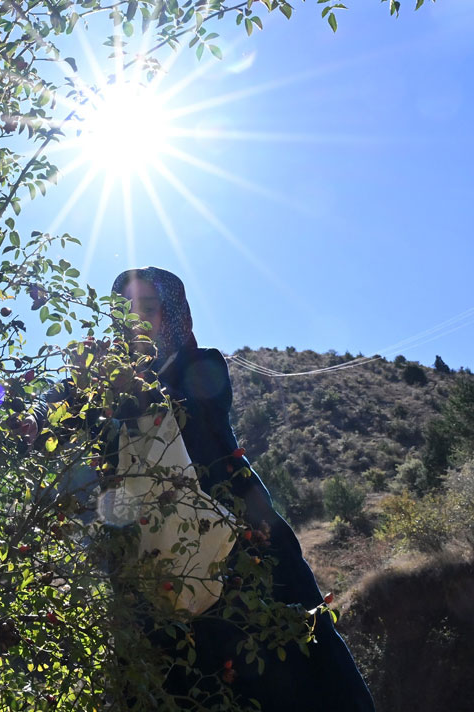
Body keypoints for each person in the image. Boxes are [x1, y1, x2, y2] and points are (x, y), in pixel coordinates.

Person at [109, 266, 375, 712]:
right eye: (125, 310)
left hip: (240, 530)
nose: (136, 320)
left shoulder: (202, 365)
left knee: (275, 661)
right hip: (152, 550)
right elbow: (71, 425)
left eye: (148, 309)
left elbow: (196, 416)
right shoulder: (107, 393)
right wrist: (33, 421)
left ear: (170, 315)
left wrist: (138, 392)